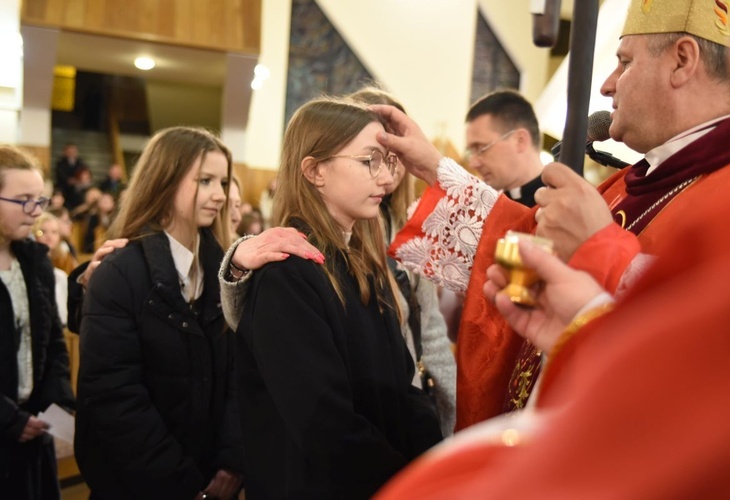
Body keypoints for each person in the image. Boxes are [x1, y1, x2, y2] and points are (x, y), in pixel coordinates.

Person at [373, 1, 730, 496]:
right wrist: (433, 167)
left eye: (626, 61)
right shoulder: (625, 185)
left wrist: (602, 250)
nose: (607, 84)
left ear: (682, 60)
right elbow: (530, 235)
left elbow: (712, 358)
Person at [224, 97, 443, 498]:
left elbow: (400, 385)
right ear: (315, 170)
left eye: (386, 161)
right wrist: (407, 482)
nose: (384, 178)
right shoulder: (287, 273)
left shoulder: (360, 261)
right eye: (368, 161)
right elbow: (324, 423)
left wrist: (434, 463)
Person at [74, 127, 243, 500]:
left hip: (213, 475)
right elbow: (114, 397)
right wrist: (184, 486)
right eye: (205, 181)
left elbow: (238, 377)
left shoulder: (223, 271)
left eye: (224, 181)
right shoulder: (120, 273)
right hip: (140, 484)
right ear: (165, 181)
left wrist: (231, 463)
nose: (221, 194)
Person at [350, 86, 457, 437]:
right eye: (375, 153)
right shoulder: (339, 230)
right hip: (358, 407)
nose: (389, 164)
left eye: (397, 148)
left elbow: (431, 331)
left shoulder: (411, 229)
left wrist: (453, 414)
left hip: (408, 401)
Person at [0, 145, 75, 500]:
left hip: (33, 432)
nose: (35, 211)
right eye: (23, 200)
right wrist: (9, 420)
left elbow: (53, 342)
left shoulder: (34, 262)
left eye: (39, 200)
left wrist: (55, 404)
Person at [464, 90, 545, 206]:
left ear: (520, 141)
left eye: (481, 149)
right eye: (471, 152)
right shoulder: (486, 206)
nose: (473, 163)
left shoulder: (560, 206)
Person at [32, 212, 70, 326]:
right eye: (42, 232)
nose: (49, 236)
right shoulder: (28, 271)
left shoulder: (61, 275)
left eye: (54, 232)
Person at [54, 143, 86, 210]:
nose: (71, 153)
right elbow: (60, 174)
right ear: (65, 152)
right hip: (64, 187)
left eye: (73, 151)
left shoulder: (81, 162)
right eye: (69, 152)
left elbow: (84, 173)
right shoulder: (60, 163)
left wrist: (78, 180)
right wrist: (69, 180)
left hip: (77, 187)